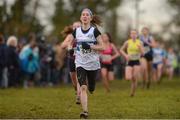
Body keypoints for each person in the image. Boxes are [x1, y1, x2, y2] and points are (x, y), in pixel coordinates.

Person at [63, 8, 105, 118]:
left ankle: (92, 87)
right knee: (82, 87)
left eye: (87, 15)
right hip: (80, 62)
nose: (85, 16)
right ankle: (85, 111)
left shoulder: (94, 31)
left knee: (91, 87)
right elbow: (68, 42)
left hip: (93, 63)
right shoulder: (76, 31)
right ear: (81, 18)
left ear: (90, 18)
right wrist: (69, 48)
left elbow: (103, 46)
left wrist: (91, 46)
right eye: (83, 15)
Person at [61, 21, 81, 104]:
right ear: (72, 28)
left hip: (81, 59)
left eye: (78, 26)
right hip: (71, 59)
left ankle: (79, 96)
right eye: (75, 26)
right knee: (73, 80)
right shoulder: (70, 36)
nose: (76, 28)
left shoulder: (84, 36)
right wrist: (69, 43)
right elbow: (62, 46)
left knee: (79, 78)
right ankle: (77, 90)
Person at [120, 30, 144, 97]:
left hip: (136, 61)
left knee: (134, 77)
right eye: (132, 33)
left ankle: (133, 92)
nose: (133, 35)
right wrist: (125, 55)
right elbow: (121, 50)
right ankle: (133, 87)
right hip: (129, 61)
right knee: (128, 78)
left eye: (135, 33)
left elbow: (143, 53)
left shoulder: (140, 42)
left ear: (137, 35)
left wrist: (140, 49)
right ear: (130, 35)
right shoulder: (127, 42)